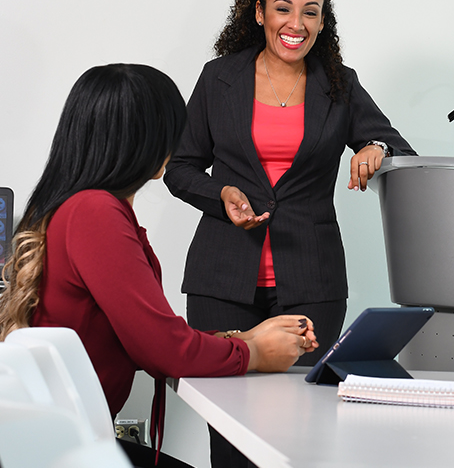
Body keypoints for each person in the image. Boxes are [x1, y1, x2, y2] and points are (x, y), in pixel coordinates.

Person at [163, 0, 415, 467]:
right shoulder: (219, 79)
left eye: (311, 12)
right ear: (258, 13)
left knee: (299, 431)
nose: (296, 24)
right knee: (230, 437)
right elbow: (180, 167)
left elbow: (399, 149)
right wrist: (221, 195)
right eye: (283, 9)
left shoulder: (339, 84)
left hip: (310, 283)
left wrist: (376, 150)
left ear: (324, 22)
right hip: (222, 283)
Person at [0, 64, 318, 468]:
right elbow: (164, 351)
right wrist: (254, 352)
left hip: (66, 445)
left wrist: (240, 337)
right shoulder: (95, 212)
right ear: (145, 140)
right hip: (72, 452)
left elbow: (146, 336)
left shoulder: (83, 207)